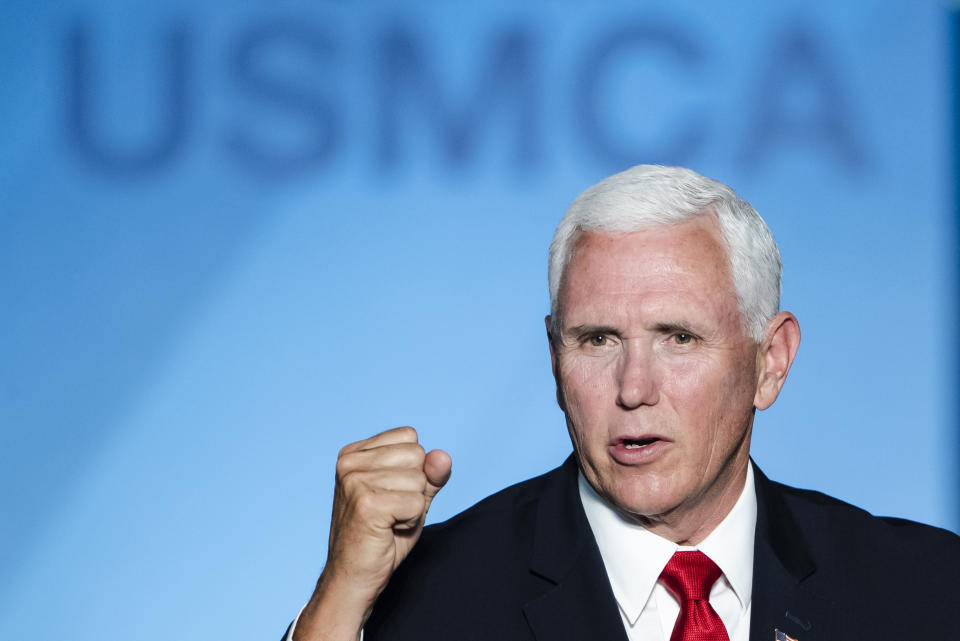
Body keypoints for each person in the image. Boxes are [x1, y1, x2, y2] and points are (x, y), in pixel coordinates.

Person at [284, 165, 960, 641]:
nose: (633, 387)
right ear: (555, 359)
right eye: (597, 338)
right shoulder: (425, 604)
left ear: (770, 362)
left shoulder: (927, 591)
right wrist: (337, 605)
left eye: (679, 337)